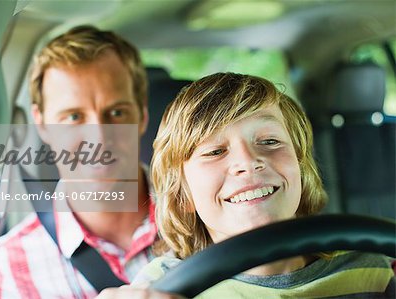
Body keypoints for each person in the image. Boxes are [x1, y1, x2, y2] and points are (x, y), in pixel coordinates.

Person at [99, 72, 395, 298]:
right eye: (215, 152)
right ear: (184, 192)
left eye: (269, 141)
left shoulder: (369, 265)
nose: (248, 162)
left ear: (301, 169)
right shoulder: (161, 287)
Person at [0, 25, 158, 298]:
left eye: (117, 112)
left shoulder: (210, 219)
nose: (99, 139)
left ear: (142, 115)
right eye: (73, 117)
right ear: (42, 123)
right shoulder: (10, 268)